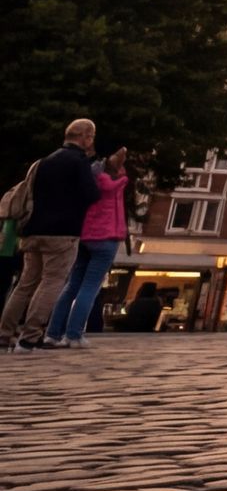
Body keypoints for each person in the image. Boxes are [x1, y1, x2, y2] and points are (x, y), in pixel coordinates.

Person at [4, 119, 100, 349]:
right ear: (86, 137)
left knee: (25, 283)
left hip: (33, 229)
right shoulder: (79, 162)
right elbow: (91, 195)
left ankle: (3, 333)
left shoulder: (44, 161)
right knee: (52, 281)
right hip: (62, 232)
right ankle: (30, 336)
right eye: (91, 137)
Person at [48, 142, 134, 348]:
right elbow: (118, 165)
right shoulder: (117, 182)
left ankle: (52, 333)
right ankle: (74, 334)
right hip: (107, 238)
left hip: (85, 236)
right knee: (90, 287)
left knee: (72, 286)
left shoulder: (89, 178)